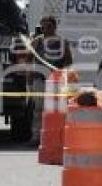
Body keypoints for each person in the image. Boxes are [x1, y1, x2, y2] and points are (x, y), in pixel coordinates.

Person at [27, 15, 73, 145]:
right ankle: (36, 137)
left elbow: (68, 61)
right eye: (43, 26)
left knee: (56, 111)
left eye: (49, 26)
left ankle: (55, 137)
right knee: (38, 109)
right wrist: (29, 77)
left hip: (56, 82)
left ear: (55, 27)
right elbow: (28, 59)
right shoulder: (37, 42)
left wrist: (65, 77)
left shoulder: (62, 42)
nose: (45, 29)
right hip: (39, 80)